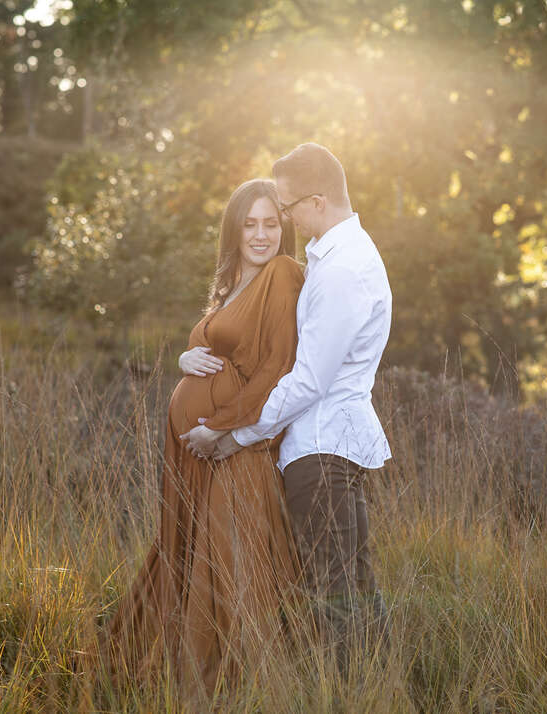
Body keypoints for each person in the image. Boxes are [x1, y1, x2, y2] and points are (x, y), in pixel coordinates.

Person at [186, 143, 392, 670]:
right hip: (319, 449)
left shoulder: (343, 269)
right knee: (345, 584)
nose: (284, 219)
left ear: (317, 201)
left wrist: (232, 435)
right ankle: (369, 689)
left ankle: (357, 695)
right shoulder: (335, 257)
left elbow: (307, 381)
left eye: (287, 207)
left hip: (323, 450)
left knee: (337, 590)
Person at [99, 178, 304, 697]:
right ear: (233, 230)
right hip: (200, 455)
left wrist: (217, 425)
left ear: (285, 227)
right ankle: (162, 684)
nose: (261, 235)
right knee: (189, 554)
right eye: (250, 224)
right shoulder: (232, 284)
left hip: (237, 450)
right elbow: (212, 349)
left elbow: (278, 367)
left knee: (228, 567)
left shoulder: (282, 273)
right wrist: (185, 357)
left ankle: (232, 693)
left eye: (271, 223)